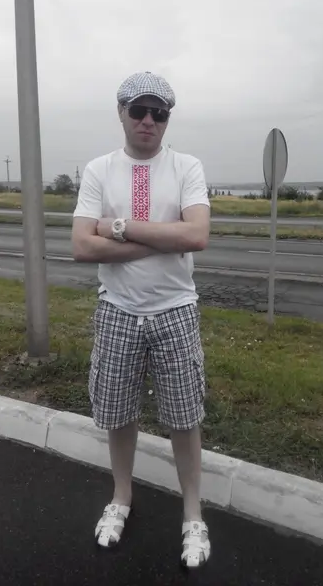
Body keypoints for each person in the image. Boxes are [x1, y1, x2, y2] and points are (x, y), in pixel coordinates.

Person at [72, 71, 211, 569]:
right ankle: (121, 497)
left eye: (159, 112)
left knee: (184, 417)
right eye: (139, 110)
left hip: (176, 310)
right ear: (122, 113)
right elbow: (81, 246)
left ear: (167, 119)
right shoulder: (99, 170)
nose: (149, 120)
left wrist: (120, 228)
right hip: (117, 310)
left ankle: (193, 515)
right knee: (117, 413)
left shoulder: (186, 166)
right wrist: (160, 238)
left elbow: (196, 236)